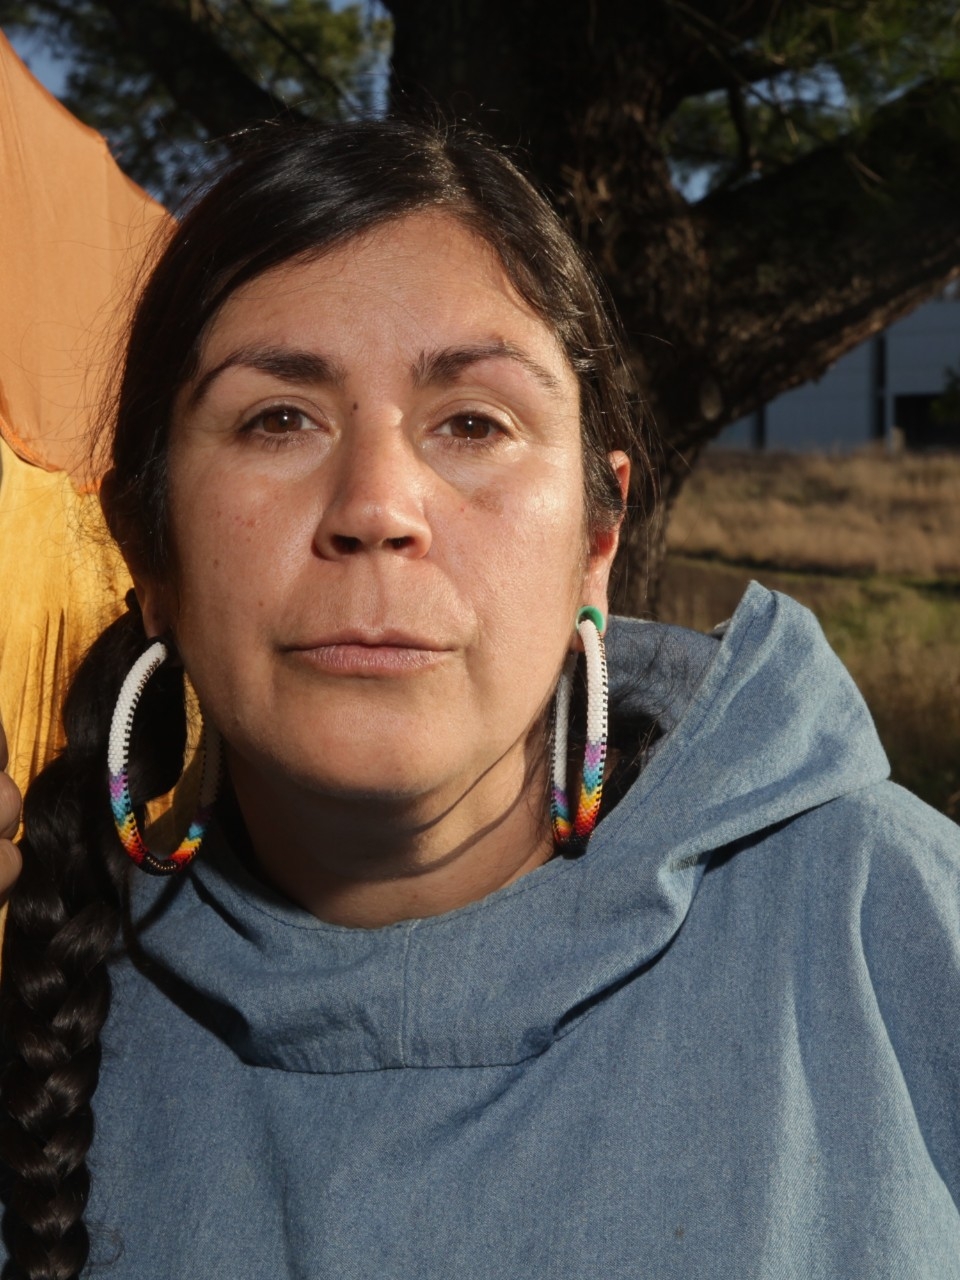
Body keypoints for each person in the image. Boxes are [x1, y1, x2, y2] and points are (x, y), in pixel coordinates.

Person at [1, 119, 958, 1280]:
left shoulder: (886, 917)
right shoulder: (53, 1002)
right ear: (148, 550)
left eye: (473, 423)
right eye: (277, 418)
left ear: (598, 538)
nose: (377, 503)